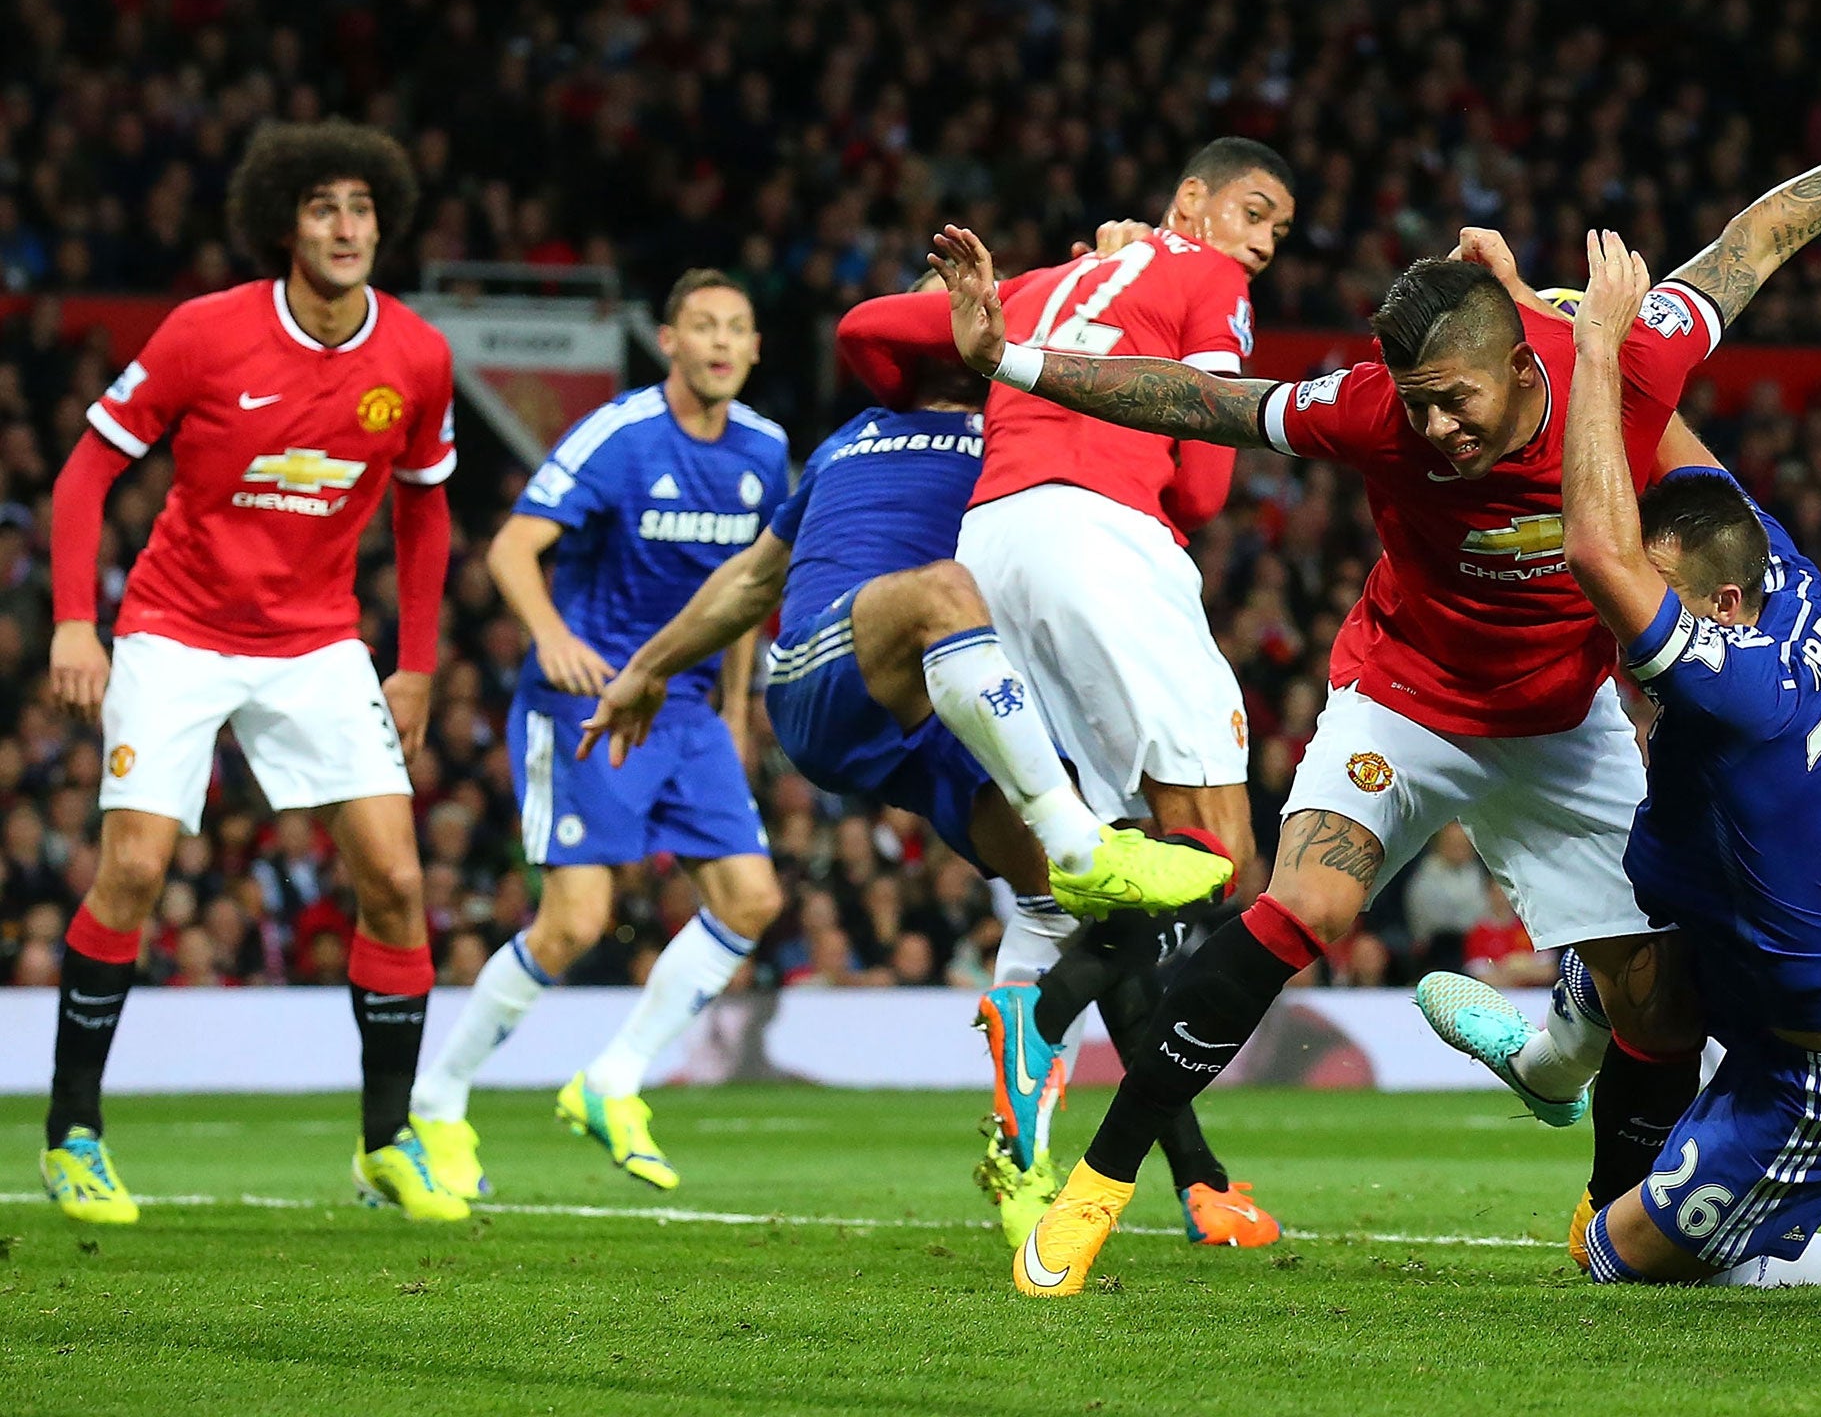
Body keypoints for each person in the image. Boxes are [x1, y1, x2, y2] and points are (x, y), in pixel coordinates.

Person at [927, 3, 1821, 1296]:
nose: (1438, 432)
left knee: (1656, 998)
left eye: (1456, 401)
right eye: (1417, 406)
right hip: (1400, 695)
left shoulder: (1626, 362)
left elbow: (1759, 237)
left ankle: (1611, 1226)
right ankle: (1099, 1189)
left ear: (1529, 366)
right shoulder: (1374, 414)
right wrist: (1013, 357)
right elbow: (1200, 398)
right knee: (1301, 904)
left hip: (1560, 721)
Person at [580, 273, 1236, 1242]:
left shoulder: (1029, 425)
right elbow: (749, 582)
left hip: (942, 725)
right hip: (829, 676)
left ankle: (1135, 1174)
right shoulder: (850, 439)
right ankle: (1073, 841)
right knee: (940, 591)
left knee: (1101, 916)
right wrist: (643, 668)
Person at [846, 139, 1295, 1248]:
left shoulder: (1040, 284)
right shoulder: (1207, 280)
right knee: (1219, 856)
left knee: (1103, 869)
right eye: (1251, 210)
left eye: (1278, 229)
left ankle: (1073, 1139)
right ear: (1186, 199)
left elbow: (866, 334)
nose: (1262, 240)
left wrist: (968, 324)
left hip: (988, 547)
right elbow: (1205, 466)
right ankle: (1036, 1017)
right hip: (1102, 536)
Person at [41, 118, 464, 1223]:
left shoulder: (415, 355)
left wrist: (414, 664)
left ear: (384, 225)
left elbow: (426, 515)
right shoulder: (204, 333)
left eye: (362, 208)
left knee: (400, 881)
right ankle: (72, 1135)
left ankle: (385, 1144)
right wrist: (73, 623)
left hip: (318, 640)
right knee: (133, 869)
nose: (345, 227)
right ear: (286, 222)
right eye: (323, 207)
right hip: (176, 628)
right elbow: (86, 475)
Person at [1539, 225, 1821, 1287]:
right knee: (1637, 919)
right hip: (1820, 964)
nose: (1635, 620)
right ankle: (1556, 1037)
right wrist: (1562, 333)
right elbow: (1674, 443)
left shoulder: (1733, 689)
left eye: (1657, 591)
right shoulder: (1782, 579)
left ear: (1720, 606)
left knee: (1612, 1260)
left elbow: (1592, 549)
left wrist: (1591, 349)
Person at [407, 270, 788, 1199]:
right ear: (668, 340)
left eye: (737, 328)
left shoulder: (767, 450)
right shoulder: (621, 435)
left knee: (752, 900)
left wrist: (737, 711)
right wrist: (554, 638)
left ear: (755, 348)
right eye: (703, 326)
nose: (721, 343)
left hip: (688, 708)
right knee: (574, 922)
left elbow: (749, 589)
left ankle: (612, 1079)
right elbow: (509, 548)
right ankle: (436, 1102)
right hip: (587, 707)